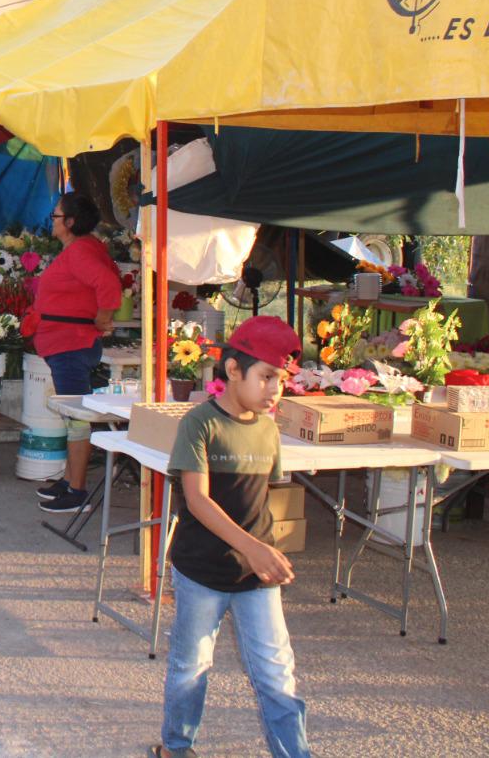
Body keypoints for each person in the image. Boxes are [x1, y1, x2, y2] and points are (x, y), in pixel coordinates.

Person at [157, 315, 308, 758]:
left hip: (256, 576)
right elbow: (198, 502)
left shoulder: (268, 428)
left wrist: (267, 551)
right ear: (233, 371)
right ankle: (176, 747)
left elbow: (264, 498)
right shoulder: (199, 424)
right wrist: (255, 548)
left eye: (279, 379)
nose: (274, 389)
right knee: (191, 667)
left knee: (277, 673)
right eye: (265, 377)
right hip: (202, 570)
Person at [33, 192, 122, 514]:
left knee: (77, 419)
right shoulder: (80, 249)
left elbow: (108, 285)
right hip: (66, 342)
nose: (52, 221)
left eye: (56, 216)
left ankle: (77, 490)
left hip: (71, 343)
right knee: (73, 415)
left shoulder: (81, 251)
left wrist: (103, 317)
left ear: (70, 222)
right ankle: (70, 479)